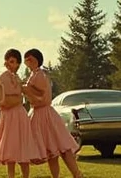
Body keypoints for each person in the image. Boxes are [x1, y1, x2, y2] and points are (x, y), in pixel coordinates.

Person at [22, 49, 82, 178]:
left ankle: (77, 174)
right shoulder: (36, 74)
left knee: (61, 147)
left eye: (29, 59)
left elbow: (40, 95)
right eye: (26, 59)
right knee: (52, 150)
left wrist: (24, 89)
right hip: (39, 113)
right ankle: (64, 175)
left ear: (36, 60)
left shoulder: (39, 75)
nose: (27, 62)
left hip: (44, 114)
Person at [0, 49, 42, 178]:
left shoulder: (17, 78)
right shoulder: (3, 77)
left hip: (20, 116)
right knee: (10, 151)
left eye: (12, 62)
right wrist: (17, 99)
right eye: (7, 61)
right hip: (9, 117)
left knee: (23, 151)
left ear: (18, 64)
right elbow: (3, 101)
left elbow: (22, 95)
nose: (9, 64)